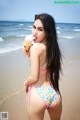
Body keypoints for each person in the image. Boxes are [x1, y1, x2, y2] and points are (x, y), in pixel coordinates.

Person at [23, 13, 62, 120]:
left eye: (40, 29)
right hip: (54, 93)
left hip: (38, 94)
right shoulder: (53, 48)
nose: (34, 32)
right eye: (34, 27)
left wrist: (25, 83)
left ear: (47, 32)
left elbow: (33, 77)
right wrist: (29, 55)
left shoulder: (35, 48)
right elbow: (45, 67)